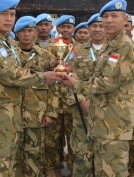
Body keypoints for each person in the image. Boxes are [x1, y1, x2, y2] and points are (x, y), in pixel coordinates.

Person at [0, 0, 62, 176]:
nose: (9, 19)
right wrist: (43, 78)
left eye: (12, 14)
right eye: (3, 14)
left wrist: (47, 65)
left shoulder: (4, 41)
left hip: (8, 116)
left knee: (8, 167)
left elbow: (20, 65)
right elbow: (10, 75)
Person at [63, 0, 134, 177]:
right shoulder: (109, 46)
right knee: (100, 170)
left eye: (114, 16)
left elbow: (109, 82)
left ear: (125, 20)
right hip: (100, 122)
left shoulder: (125, 47)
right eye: (105, 16)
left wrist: (77, 84)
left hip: (114, 124)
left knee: (112, 171)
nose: (108, 20)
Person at [14, 16, 57, 177]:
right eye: (22, 31)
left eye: (30, 30)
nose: (26, 34)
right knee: (14, 157)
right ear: (16, 33)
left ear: (35, 33)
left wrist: (50, 112)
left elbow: (54, 87)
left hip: (36, 114)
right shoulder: (9, 54)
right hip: (13, 114)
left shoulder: (46, 57)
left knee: (34, 156)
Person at [44, 15, 78, 176]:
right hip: (53, 102)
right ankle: (53, 171)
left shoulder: (81, 49)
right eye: (62, 27)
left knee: (75, 140)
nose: (66, 30)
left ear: (73, 29)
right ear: (57, 28)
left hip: (73, 102)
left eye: (69, 27)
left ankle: (73, 170)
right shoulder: (48, 48)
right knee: (51, 141)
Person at [70, 13, 103, 176]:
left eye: (101, 25)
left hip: (108, 111)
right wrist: (83, 101)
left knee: (106, 157)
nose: (97, 29)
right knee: (82, 154)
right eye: (94, 26)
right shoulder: (76, 51)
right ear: (88, 29)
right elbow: (69, 79)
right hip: (82, 111)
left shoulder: (116, 50)